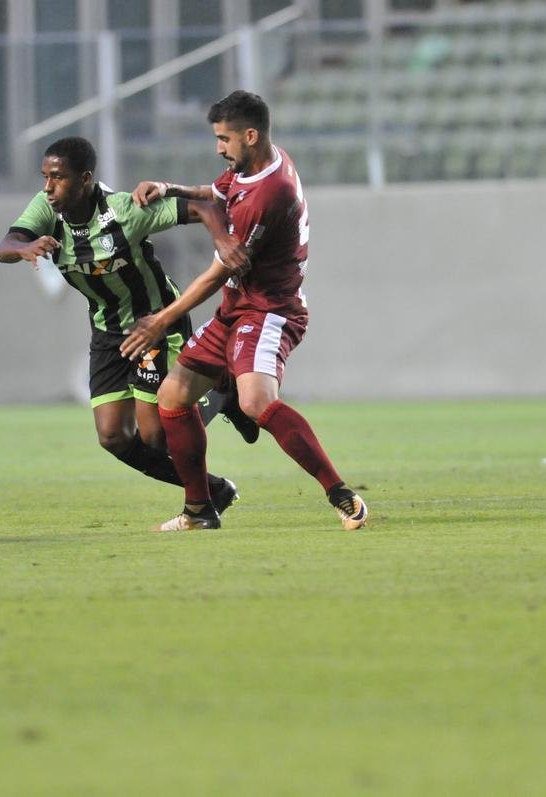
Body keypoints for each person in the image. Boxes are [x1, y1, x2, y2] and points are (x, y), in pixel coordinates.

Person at [121, 90, 368, 532]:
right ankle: (199, 510)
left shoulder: (270, 194)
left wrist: (160, 320)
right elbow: (219, 190)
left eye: (224, 139)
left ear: (249, 136)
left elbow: (217, 274)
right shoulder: (260, 163)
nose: (219, 148)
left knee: (257, 402)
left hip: (270, 311)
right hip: (238, 309)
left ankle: (341, 494)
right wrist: (169, 187)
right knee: (173, 396)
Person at [0, 136, 257, 512]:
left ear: (85, 179)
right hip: (107, 332)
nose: (48, 186)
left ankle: (221, 395)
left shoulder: (124, 211)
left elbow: (202, 207)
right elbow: (5, 245)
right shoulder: (46, 208)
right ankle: (213, 489)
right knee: (113, 437)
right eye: (45, 177)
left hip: (155, 323)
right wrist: (23, 249)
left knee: (156, 437)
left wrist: (223, 241)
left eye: (58, 178)